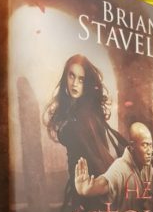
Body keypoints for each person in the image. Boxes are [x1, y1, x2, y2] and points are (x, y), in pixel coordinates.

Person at [44, 54, 127, 184]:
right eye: (71, 76)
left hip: (90, 183)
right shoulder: (71, 110)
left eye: (81, 79)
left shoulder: (87, 115)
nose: (75, 84)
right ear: (66, 77)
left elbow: (97, 154)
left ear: (86, 83)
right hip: (80, 180)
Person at [74, 121, 153, 212]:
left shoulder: (151, 159)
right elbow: (104, 183)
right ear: (132, 146)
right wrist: (87, 190)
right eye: (145, 145)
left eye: (150, 145)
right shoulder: (120, 168)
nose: (149, 151)